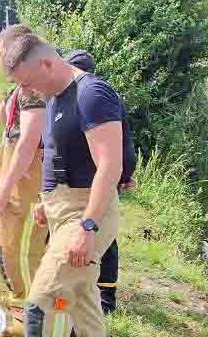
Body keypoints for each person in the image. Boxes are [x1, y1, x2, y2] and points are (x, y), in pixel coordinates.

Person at [2, 33, 128, 337]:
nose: (26, 91)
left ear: (45, 63)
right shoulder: (56, 97)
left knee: (43, 299)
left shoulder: (92, 94)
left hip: (89, 211)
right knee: (81, 290)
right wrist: (46, 201)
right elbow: (58, 156)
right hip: (62, 207)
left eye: (26, 81)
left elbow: (111, 166)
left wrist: (87, 225)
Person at [64, 49, 137, 315]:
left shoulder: (90, 97)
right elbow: (126, 142)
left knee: (100, 233)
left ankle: (104, 298)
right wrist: (127, 173)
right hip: (106, 173)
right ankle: (103, 296)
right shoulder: (107, 94)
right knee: (105, 235)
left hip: (97, 177)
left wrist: (122, 175)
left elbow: (116, 145)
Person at [0, 24, 48, 337]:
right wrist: (1, 177)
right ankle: (18, 303)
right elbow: (10, 136)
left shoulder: (32, 90)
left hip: (28, 181)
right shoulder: (19, 88)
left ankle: (30, 317)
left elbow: (28, 142)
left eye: (1, 47)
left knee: (25, 248)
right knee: (9, 244)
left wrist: (8, 184)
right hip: (15, 174)